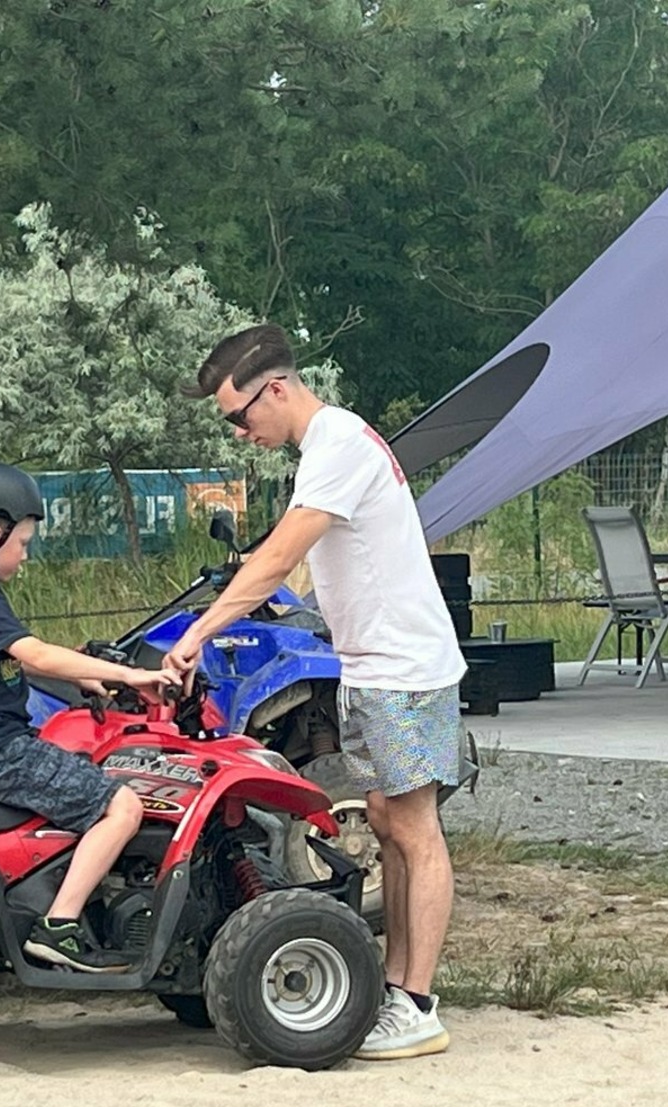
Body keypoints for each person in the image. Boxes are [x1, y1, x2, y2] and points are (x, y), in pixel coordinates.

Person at [164, 324, 466, 1061]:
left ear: (277, 389)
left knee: (416, 831)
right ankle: (393, 987)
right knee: (391, 821)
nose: (241, 433)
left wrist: (199, 632)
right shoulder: (329, 447)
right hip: (371, 666)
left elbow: (279, 556)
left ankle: (418, 1003)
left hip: (402, 669)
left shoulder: (335, 445)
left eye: (241, 417)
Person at [0, 460, 179, 974]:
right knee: (123, 806)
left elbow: (13, 661)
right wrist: (127, 676)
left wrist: (80, 679)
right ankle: (59, 926)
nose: (26, 551)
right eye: (23, 541)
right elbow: (35, 654)